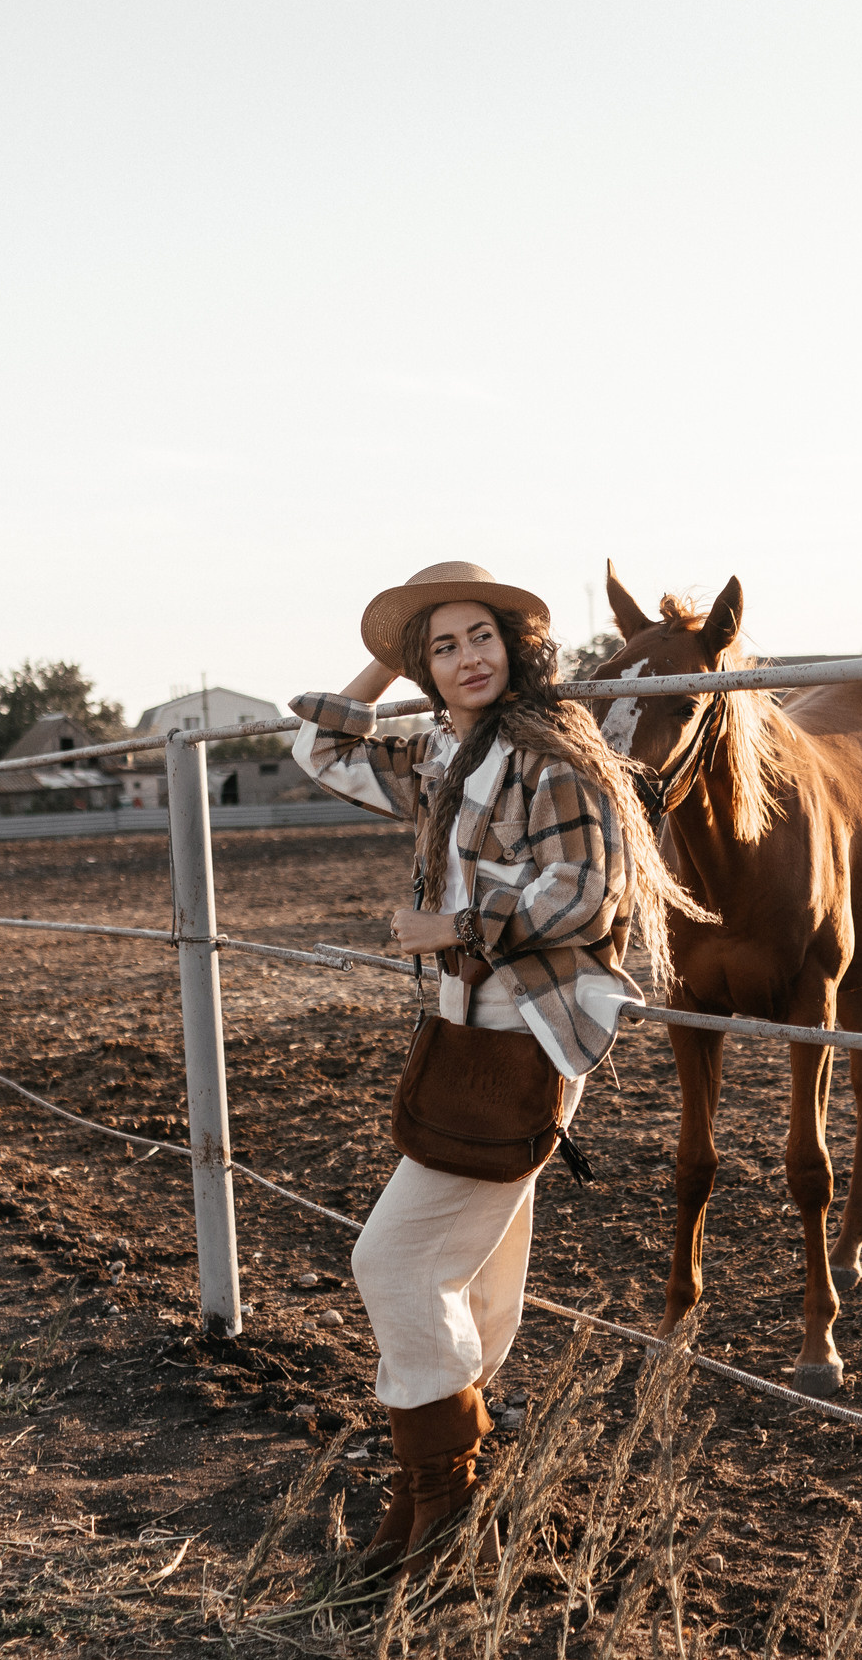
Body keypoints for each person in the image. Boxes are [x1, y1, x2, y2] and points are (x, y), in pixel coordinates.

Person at [289, 560, 700, 1578]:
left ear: (517, 649)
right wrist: (385, 664)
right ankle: (437, 1497)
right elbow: (318, 745)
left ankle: (447, 1497)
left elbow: (586, 897)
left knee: (391, 1264)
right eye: (442, 645)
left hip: (522, 1041)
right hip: (467, 1034)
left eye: (482, 636)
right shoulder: (443, 751)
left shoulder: (553, 759)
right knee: (469, 1289)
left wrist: (454, 925)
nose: (467, 657)